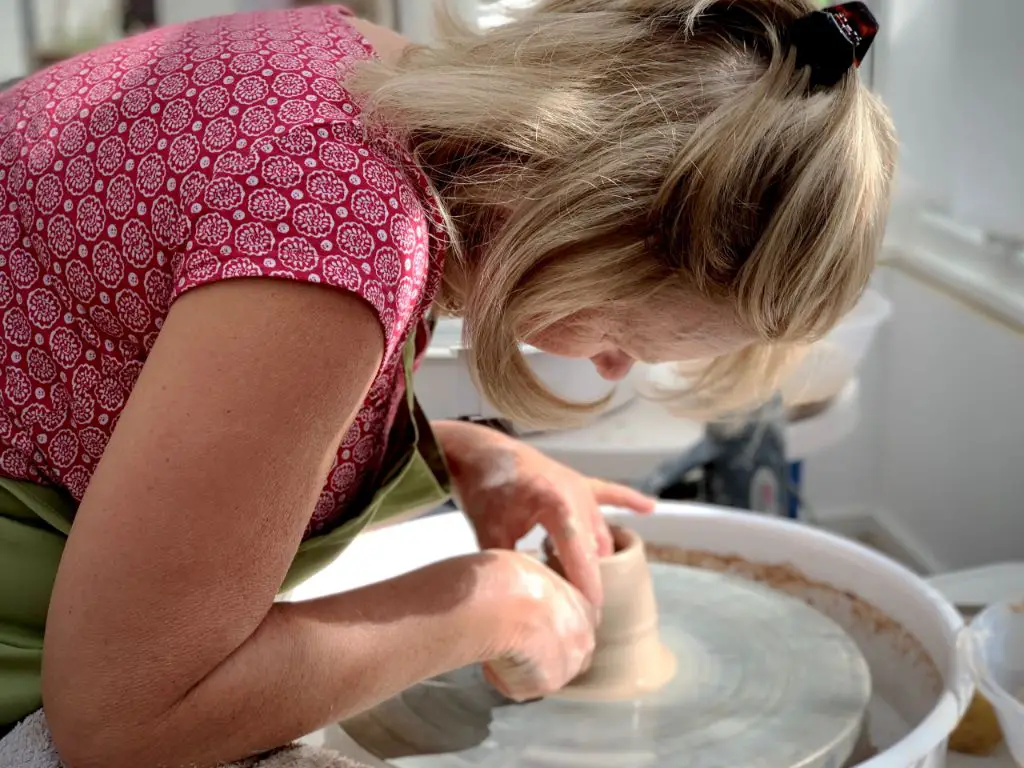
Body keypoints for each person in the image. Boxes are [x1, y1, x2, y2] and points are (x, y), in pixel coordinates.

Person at [0, 0, 895, 765]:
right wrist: (488, 606)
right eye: (625, 334)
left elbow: (151, 379)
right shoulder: (343, 242)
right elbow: (119, 723)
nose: (609, 368)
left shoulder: (352, 69)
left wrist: (468, 455)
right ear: (593, 223)